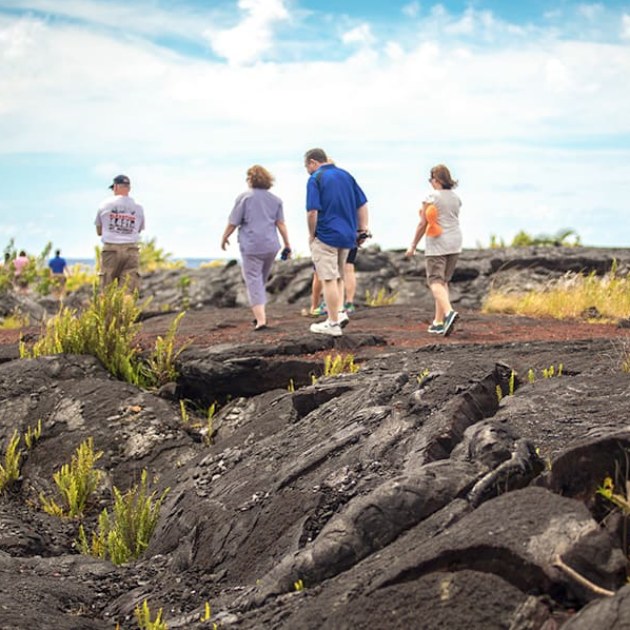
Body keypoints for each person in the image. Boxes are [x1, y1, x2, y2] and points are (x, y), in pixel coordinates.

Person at [304, 148, 369, 337]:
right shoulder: (346, 175)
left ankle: (332, 323)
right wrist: (362, 229)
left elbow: (312, 211)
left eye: (307, 166)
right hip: (348, 235)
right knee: (339, 276)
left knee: (328, 278)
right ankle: (339, 313)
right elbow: (362, 203)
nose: (307, 170)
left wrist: (312, 233)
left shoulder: (315, 178)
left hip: (326, 234)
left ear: (313, 162)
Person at [221, 164, 291, 331]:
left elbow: (233, 222)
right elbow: (281, 224)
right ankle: (259, 314)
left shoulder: (244, 198)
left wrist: (224, 237)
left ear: (250, 179)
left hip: (252, 245)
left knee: (253, 281)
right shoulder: (276, 200)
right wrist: (287, 244)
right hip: (271, 246)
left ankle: (261, 320)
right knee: (260, 280)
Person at [405, 164, 462, 336]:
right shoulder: (456, 197)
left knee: (435, 281)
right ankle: (438, 322)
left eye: (431, 179)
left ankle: (449, 313)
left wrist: (413, 244)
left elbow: (423, 223)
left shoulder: (431, 196)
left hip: (438, 243)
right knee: (444, 281)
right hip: (455, 242)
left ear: (436, 180)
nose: (430, 183)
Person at [95, 174, 145, 293]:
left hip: (111, 249)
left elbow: (99, 231)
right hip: (131, 249)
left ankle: (107, 311)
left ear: (116, 187)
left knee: (106, 286)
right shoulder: (138, 207)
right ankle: (125, 311)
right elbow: (138, 229)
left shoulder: (104, 205)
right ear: (129, 188)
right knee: (128, 288)